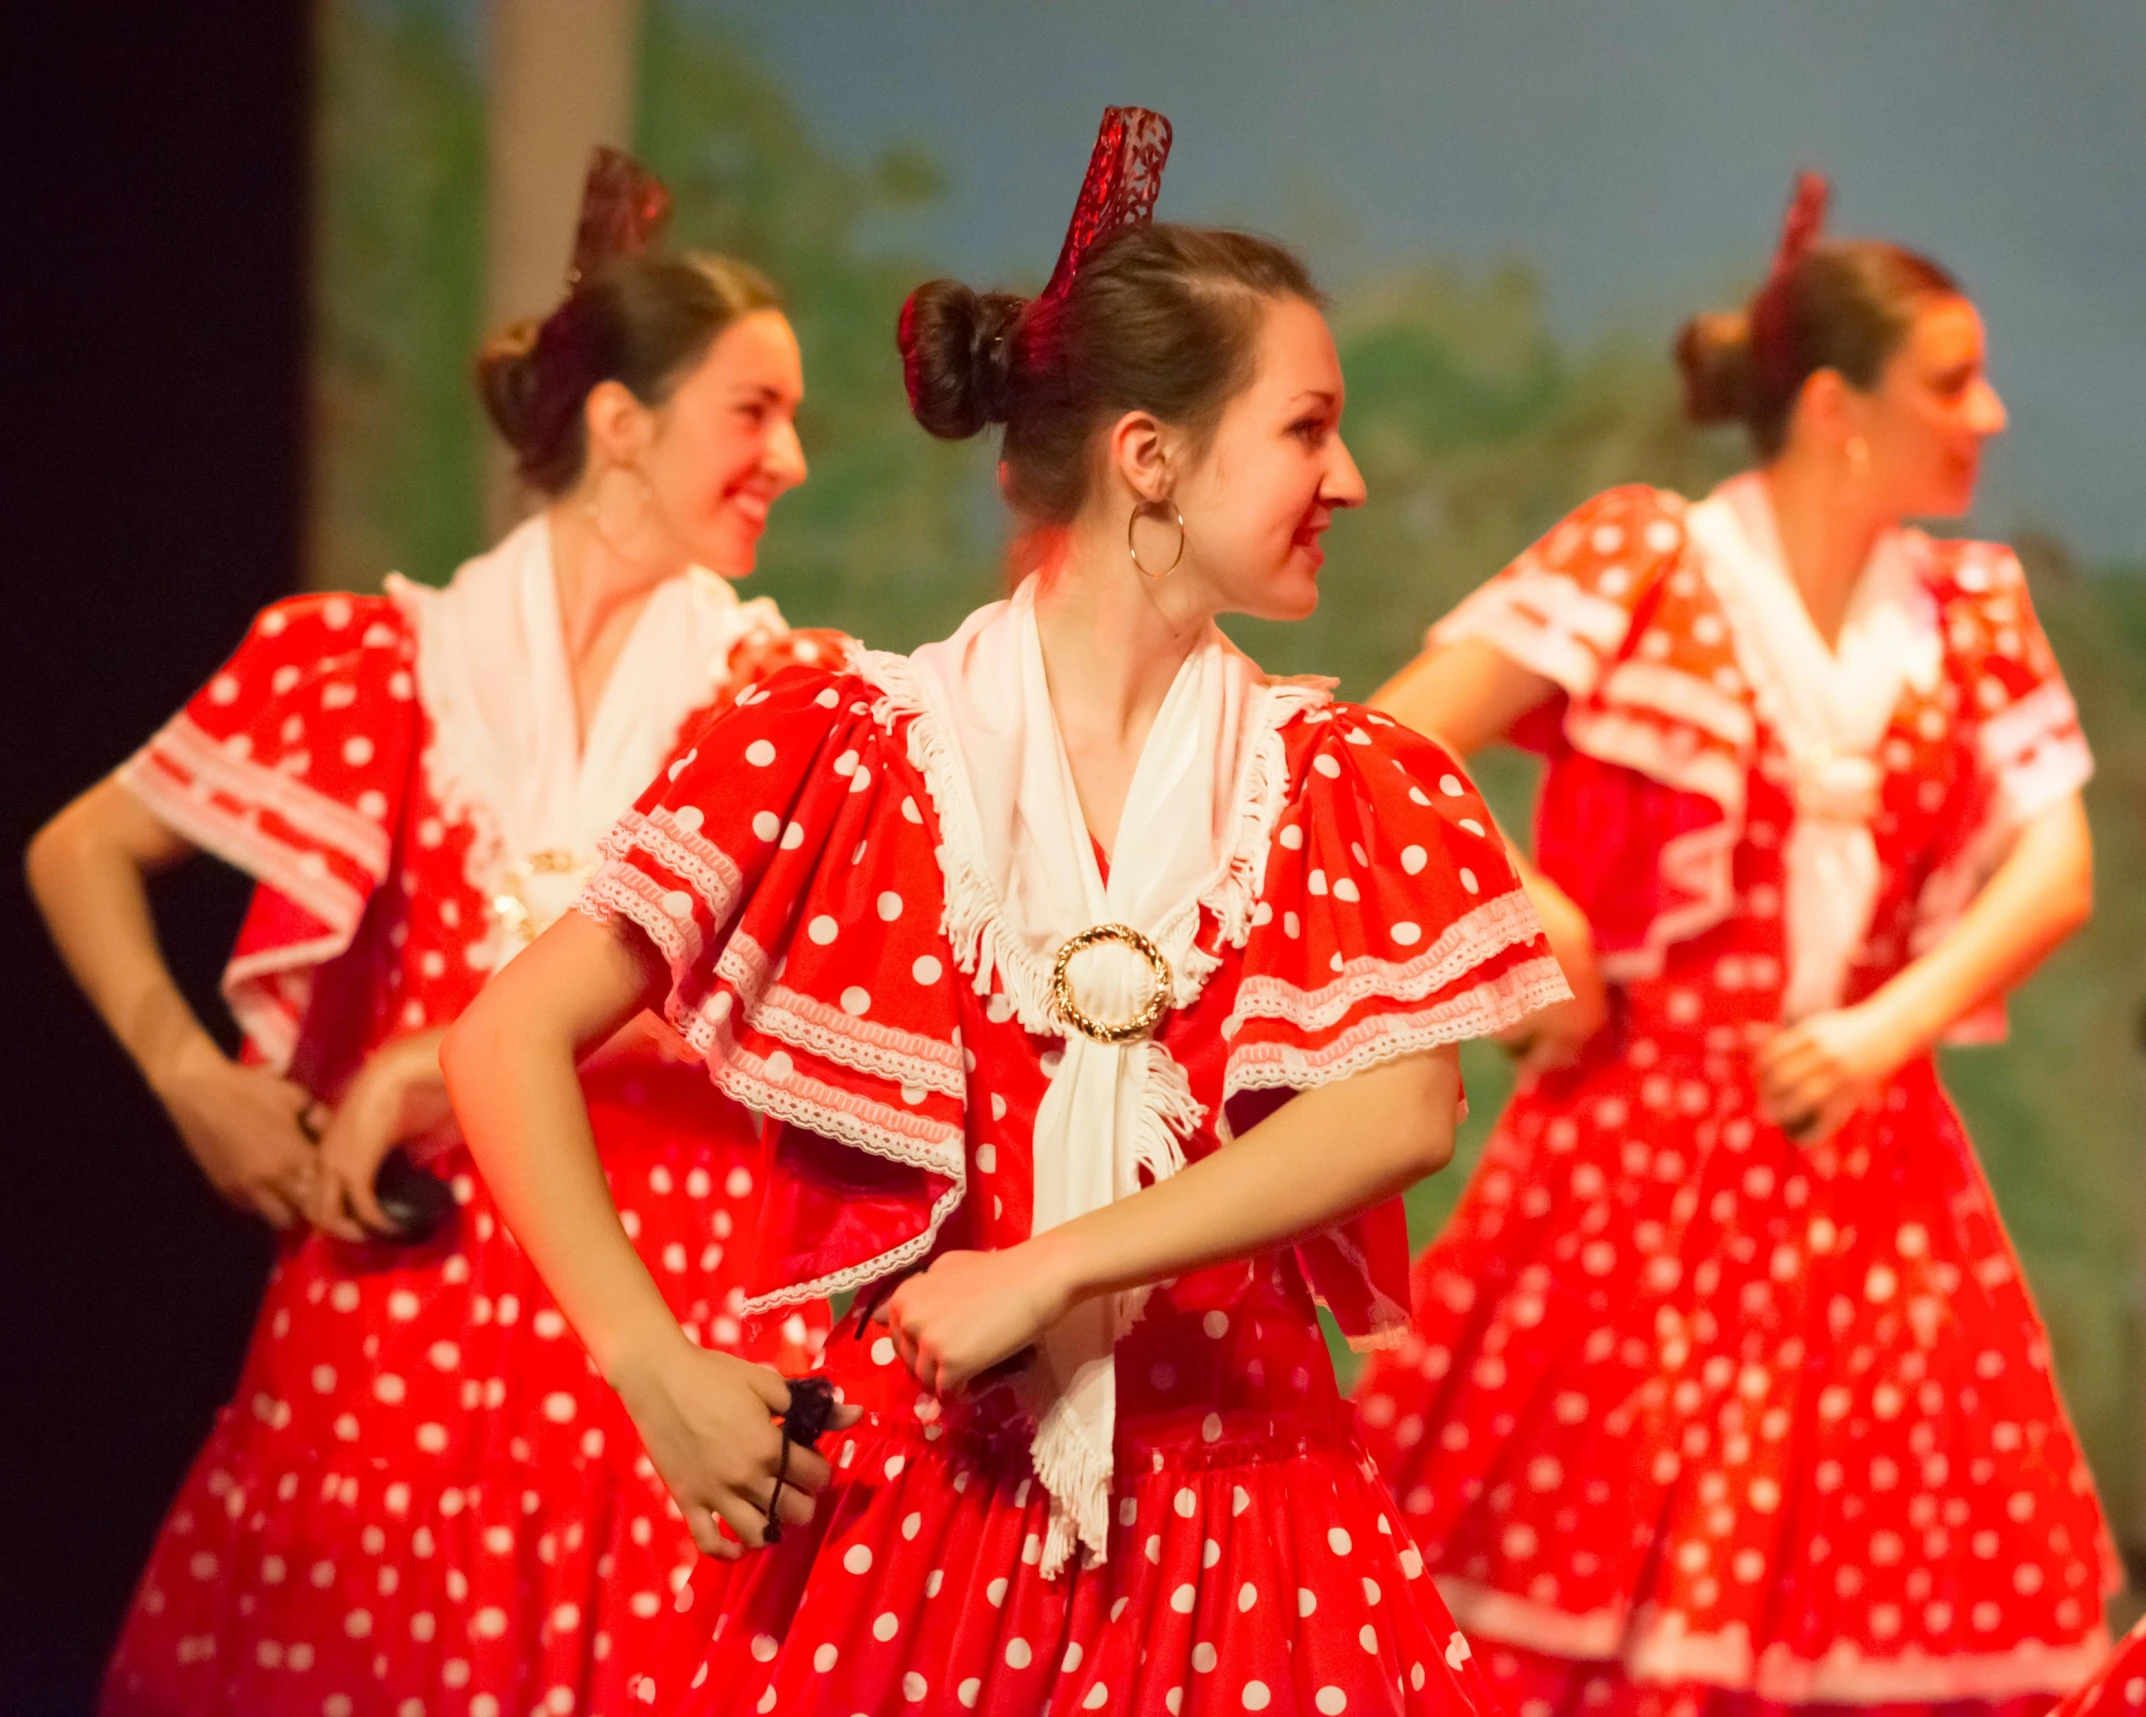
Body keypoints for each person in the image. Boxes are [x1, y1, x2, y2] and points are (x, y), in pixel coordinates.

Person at [442, 108, 1569, 1716]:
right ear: (1150, 458)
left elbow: (1397, 1110)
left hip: (1247, 1522)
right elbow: (504, 1038)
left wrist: (1047, 1267)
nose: (1353, 478)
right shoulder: (836, 746)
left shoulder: (1336, 777)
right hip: (913, 1523)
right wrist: (650, 1364)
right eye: (1309, 430)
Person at [27, 150, 831, 1716]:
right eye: (753, 411)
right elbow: (79, 850)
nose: (791, 457)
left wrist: (430, 1056)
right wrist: (191, 1076)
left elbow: (794, 996)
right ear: (619, 424)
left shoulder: (778, 697)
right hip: (404, 1304)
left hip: (656, 1296)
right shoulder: (372, 664)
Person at [1350, 173, 2116, 1717]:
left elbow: (2056, 867)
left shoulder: (1965, 608)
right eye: (1952, 383)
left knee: (1877, 1568)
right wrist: (1523, 918)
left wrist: (1884, 1028)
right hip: (1634, 1161)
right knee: (1580, 1560)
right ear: (1837, 405)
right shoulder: (1650, 557)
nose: (1991, 416)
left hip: (1867, 1153)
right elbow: (1386, 743)